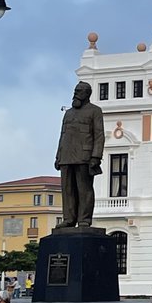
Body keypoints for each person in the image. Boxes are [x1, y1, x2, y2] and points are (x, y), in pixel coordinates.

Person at [54, 80, 105, 228]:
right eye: (75, 91)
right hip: (66, 156)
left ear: (87, 94)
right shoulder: (68, 113)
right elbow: (62, 135)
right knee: (67, 190)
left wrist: (96, 156)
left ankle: (84, 219)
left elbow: (99, 135)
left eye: (79, 91)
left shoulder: (95, 111)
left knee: (84, 190)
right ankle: (68, 219)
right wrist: (58, 156)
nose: (75, 94)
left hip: (84, 157)